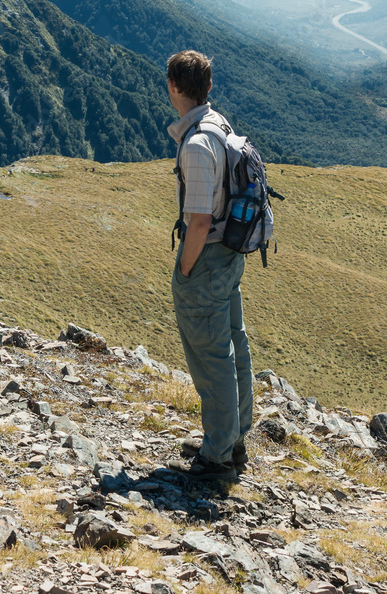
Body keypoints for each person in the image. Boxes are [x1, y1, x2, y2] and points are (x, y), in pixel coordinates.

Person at [166, 50, 254, 482]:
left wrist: (184, 269)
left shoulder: (198, 143)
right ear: (209, 87)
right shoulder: (220, 125)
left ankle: (217, 454)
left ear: (174, 87)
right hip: (230, 257)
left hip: (207, 259)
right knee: (233, 343)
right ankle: (232, 438)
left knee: (211, 355)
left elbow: (199, 221)